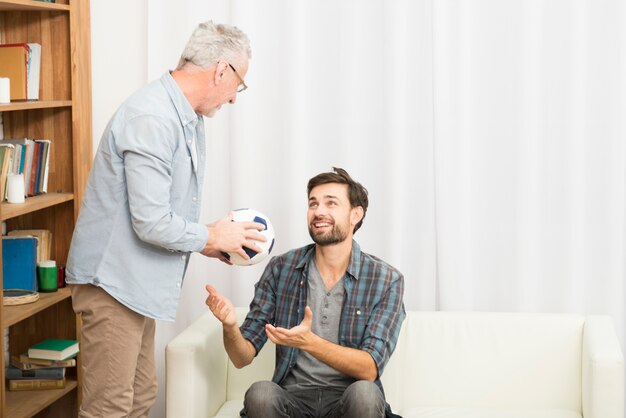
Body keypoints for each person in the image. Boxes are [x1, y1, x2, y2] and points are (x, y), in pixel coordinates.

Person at [65, 21, 265, 418]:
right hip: (113, 286)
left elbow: (159, 214)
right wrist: (209, 235)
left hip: (134, 286)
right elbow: (152, 222)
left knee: (140, 399)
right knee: (110, 408)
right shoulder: (153, 118)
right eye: (238, 85)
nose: (233, 99)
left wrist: (211, 241)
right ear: (221, 70)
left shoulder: (185, 119)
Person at [205, 167, 406, 418]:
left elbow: (369, 369)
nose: (318, 211)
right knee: (261, 394)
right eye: (313, 204)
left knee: (365, 394)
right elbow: (241, 357)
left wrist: (310, 343)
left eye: (331, 203)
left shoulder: (385, 279)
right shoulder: (282, 268)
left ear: (356, 214)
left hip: (349, 400)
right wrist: (229, 326)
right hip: (293, 398)